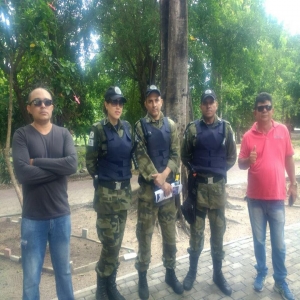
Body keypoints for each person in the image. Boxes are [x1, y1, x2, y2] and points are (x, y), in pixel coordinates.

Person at [12, 87, 78, 300]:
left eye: (47, 102)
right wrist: (59, 170)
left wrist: (37, 162)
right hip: (33, 220)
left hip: (61, 216)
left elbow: (72, 165)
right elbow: (23, 174)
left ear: (52, 106)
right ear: (29, 108)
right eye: (37, 102)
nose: (43, 105)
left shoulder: (63, 133)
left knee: (64, 274)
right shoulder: (21, 135)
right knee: (31, 279)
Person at [238, 92, 297, 300]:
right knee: (259, 242)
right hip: (254, 199)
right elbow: (240, 164)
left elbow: (289, 158)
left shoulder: (282, 131)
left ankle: (280, 281)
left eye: (268, 107)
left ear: (272, 110)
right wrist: (249, 160)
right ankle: (262, 272)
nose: (264, 110)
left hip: (277, 198)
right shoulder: (247, 136)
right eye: (260, 107)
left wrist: (294, 184)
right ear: (255, 111)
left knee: (279, 243)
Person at [181, 89, 237, 296]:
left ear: (216, 104)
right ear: (201, 106)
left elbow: (231, 156)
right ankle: (192, 272)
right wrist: (198, 173)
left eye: (211, 102)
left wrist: (218, 171)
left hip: (218, 190)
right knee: (196, 233)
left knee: (218, 233)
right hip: (199, 190)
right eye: (205, 103)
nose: (208, 106)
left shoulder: (226, 128)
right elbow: (185, 155)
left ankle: (218, 274)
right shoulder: (193, 129)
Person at [134, 85, 183, 299]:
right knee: (144, 235)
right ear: (146, 103)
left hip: (167, 193)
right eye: (150, 101)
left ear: (162, 101)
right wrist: (159, 179)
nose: (154, 104)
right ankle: (143, 277)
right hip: (147, 194)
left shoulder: (171, 126)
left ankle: (170, 273)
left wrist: (164, 177)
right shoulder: (140, 126)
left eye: (157, 100)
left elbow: (175, 155)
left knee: (170, 234)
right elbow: (141, 157)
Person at [86, 86, 133, 300]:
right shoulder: (97, 129)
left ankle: (110, 285)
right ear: (106, 104)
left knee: (118, 241)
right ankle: (101, 286)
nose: (118, 106)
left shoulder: (128, 128)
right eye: (114, 102)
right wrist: (103, 179)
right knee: (109, 244)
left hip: (124, 195)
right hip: (106, 197)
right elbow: (90, 163)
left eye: (121, 102)